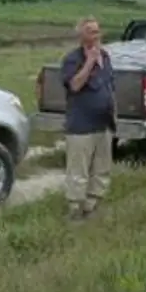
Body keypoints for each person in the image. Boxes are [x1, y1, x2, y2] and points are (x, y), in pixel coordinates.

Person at [60, 16, 116, 220]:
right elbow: (74, 85)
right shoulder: (72, 60)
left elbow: (110, 85)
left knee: (102, 168)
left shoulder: (106, 57)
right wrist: (90, 61)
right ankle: (75, 208)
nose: (96, 34)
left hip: (103, 123)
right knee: (78, 170)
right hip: (81, 125)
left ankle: (92, 205)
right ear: (81, 36)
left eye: (97, 30)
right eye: (91, 31)